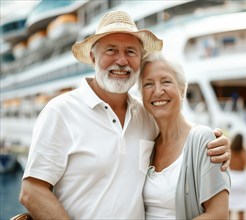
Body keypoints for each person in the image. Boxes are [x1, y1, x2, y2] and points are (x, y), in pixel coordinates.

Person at [18, 11, 230, 219]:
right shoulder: (61, 111)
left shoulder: (145, 116)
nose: (121, 61)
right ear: (93, 57)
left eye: (131, 52)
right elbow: (32, 192)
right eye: (111, 50)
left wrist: (216, 143)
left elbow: (180, 137)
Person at [139, 52, 230, 219]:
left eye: (166, 81)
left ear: (182, 90)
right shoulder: (147, 140)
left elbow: (219, 214)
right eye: (148, 84)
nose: (158, 91)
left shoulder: (203, 139)